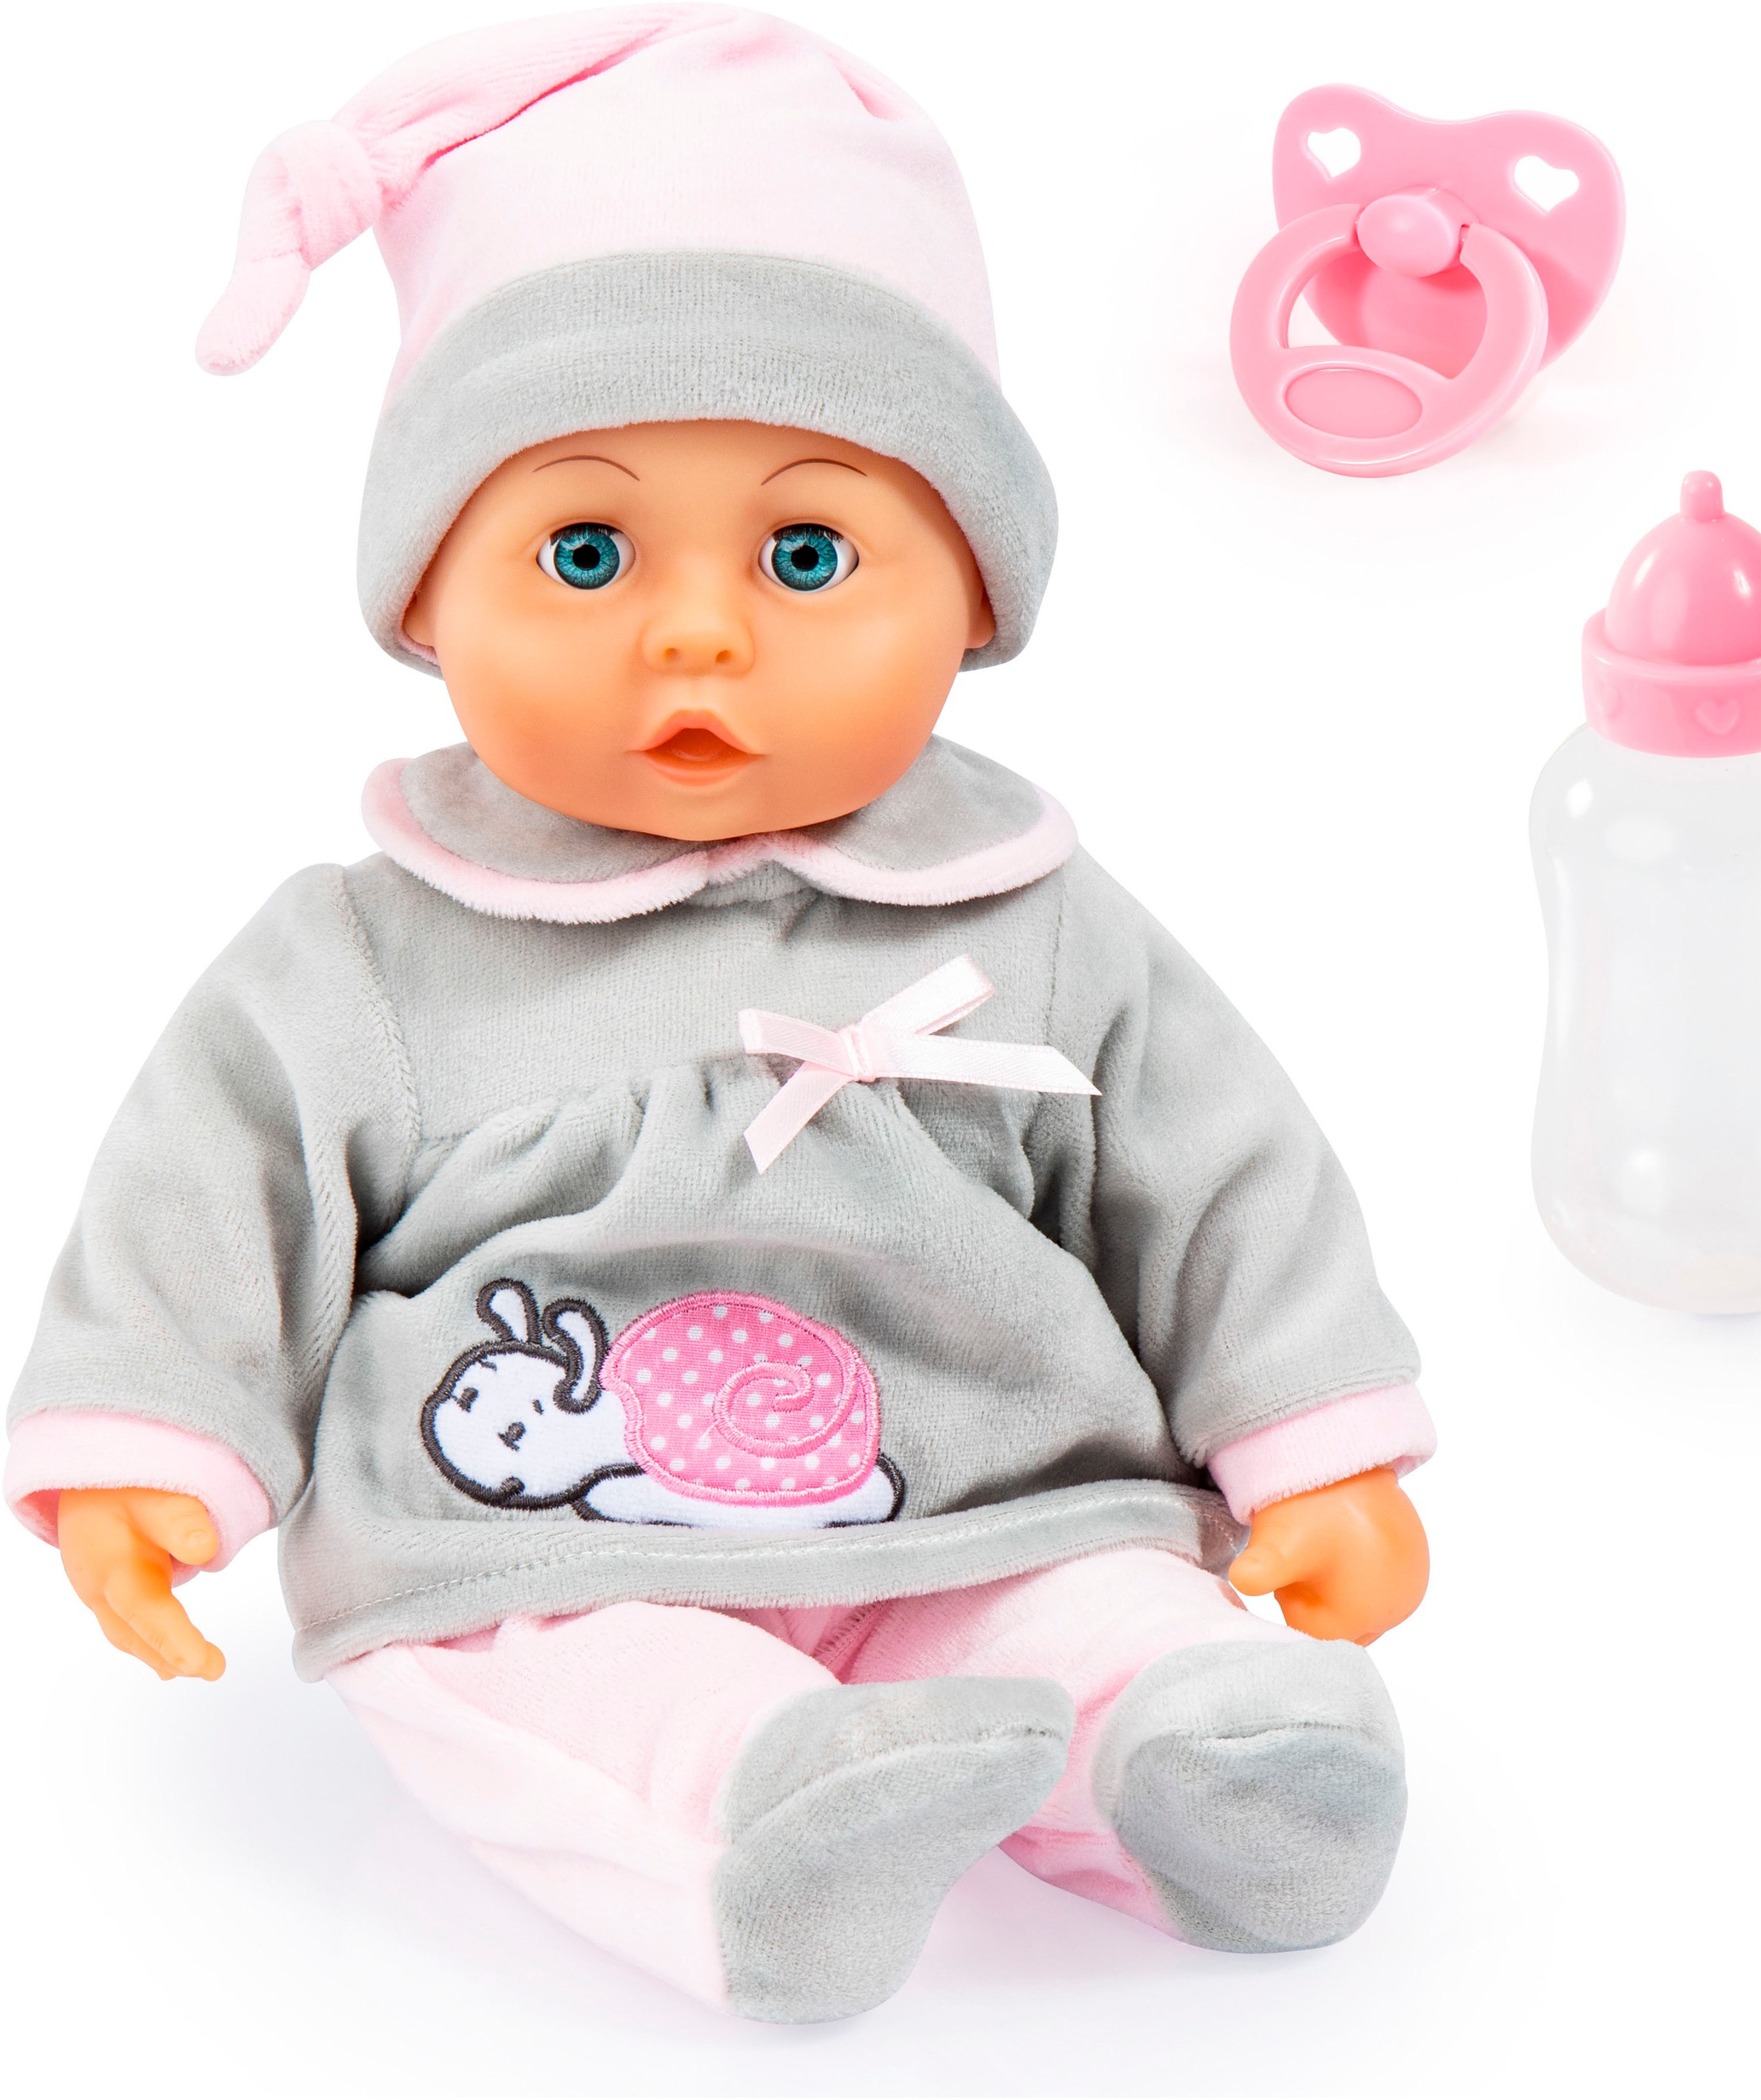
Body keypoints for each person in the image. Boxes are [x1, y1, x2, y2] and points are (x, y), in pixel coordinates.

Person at [6, 6, 1435, 2022]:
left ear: (973, 596)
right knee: (550, 1681)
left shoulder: (1030, 915)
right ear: (427, 597)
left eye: (807, 551)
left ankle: (1196, 1759)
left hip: (989, 1489)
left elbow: (1225, 1177)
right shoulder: (368, 950)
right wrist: (159, 1444)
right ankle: (766, 1827)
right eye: (586, 550)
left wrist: (1313, 1453)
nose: (696, 630)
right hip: (533, 1533)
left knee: (1089, 1605)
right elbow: (206, 1189)